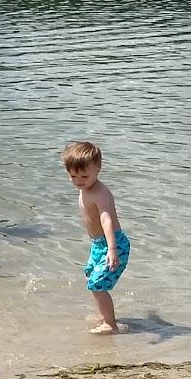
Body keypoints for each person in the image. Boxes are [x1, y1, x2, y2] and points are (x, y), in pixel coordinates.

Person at [63, 141, 129, 334]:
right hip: (98, 244)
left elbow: (106, 219)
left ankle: (111, 325)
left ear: (98, 169)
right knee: (92, 277)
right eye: (73, 176)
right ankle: (103, 315)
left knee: (97, 284)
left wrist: (112, 248)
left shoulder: (100, 193)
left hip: (114, 243)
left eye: (84, 176)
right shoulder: (85, 189)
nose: (78, 181)